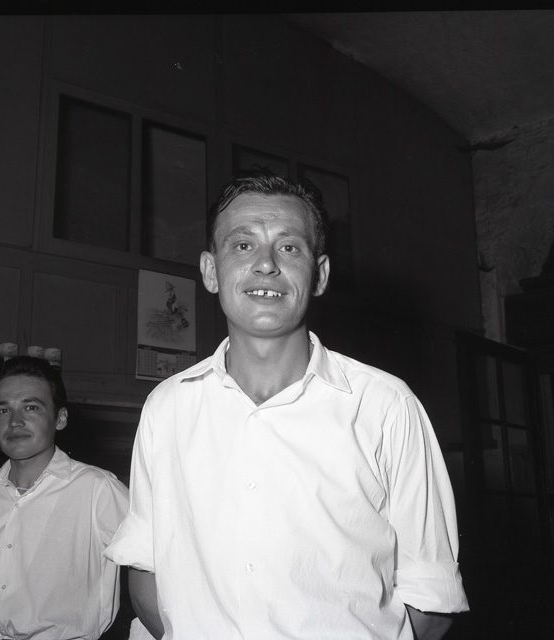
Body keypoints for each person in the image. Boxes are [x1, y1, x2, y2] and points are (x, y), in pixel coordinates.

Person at [105, 168, 469, 639]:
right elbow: (146, 566)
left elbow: (432, 598)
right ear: (211, 271)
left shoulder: (386, 407)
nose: (266, 264)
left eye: (290, 247)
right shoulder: (167, 407)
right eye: (243, 245)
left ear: (319, 275)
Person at [0, 356, 129, 639]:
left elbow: (160, 560)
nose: (15, 422)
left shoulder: (98, 489)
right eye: (3, 410)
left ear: (60, 418)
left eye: (31, 407)